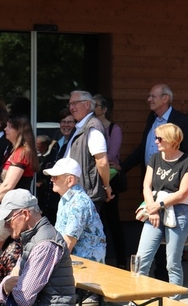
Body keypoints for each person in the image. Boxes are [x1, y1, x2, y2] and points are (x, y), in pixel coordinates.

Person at [135, 123, 188, 291]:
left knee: (173, 262)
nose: (156, 142)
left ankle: (173, 303)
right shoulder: (155, 158)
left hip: (178, 211)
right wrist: (151, 208)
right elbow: (147, 186)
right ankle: (136, 298)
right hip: (154, 208)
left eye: (159, 138)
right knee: (142, 258)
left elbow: (183, 193)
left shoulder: (187, 161)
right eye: (156, 138)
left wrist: (158, 205)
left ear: (171, 140)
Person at [121, 84, 188, 176]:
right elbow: (144, 148)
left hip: (171, 178)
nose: (149, 100)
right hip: (149, 177)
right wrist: (122, 167)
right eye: (149, 96)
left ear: (165, 98)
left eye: (153, 96)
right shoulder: (151, 117)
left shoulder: (182, 120)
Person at [46, 158, 106, 263]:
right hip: (75, 261)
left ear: (70, 180)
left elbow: (68, 242)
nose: (51, 179)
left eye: (55, 177)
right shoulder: (66, 199)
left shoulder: (78, 203)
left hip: (86, 265)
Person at [62, 90, 112, 209]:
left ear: (88, 104)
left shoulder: (92, 127)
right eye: (70, 104)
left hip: (86, 194)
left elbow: (102, 161)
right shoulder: (79, 127)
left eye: (75, 103)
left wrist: (106, 186)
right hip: (76, 191)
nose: (72, 108)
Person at [93, 94, 127, 268]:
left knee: (113, 219)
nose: (92, 107)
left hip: (110, 177)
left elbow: (111, 156)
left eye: (96, 104)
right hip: (94, 177)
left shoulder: (114, 129)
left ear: (104, 109)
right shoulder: (90, 127)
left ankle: (121, 261)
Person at [0, 114, 40, 204]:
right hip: (5, 203)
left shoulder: (21, 153)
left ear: (19, 130)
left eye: (9, 127)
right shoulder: (11, 150)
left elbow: (8, 185)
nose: (5, 129)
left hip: (14, 206)